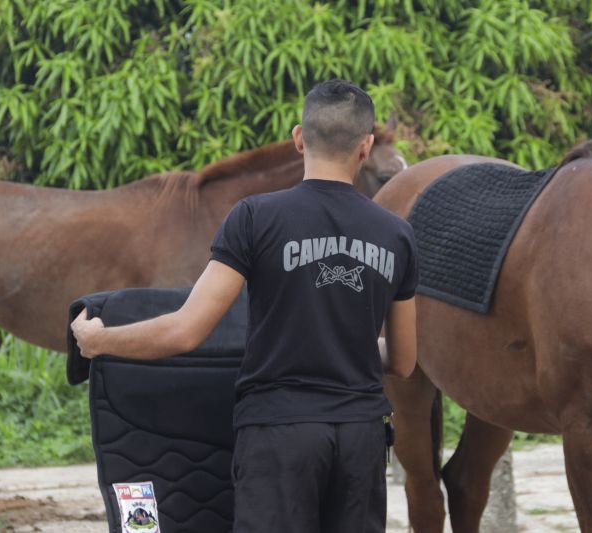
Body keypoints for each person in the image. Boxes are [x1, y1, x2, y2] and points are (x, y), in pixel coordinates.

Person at [71, 79, 418, 533]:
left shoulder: (255, 218)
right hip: (361, 439)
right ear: (366, 146)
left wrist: (100, 341)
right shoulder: (396, 234)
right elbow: (405, 361)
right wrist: (343, 346)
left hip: (279, 436)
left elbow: (186, 331)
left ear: (298, 138)